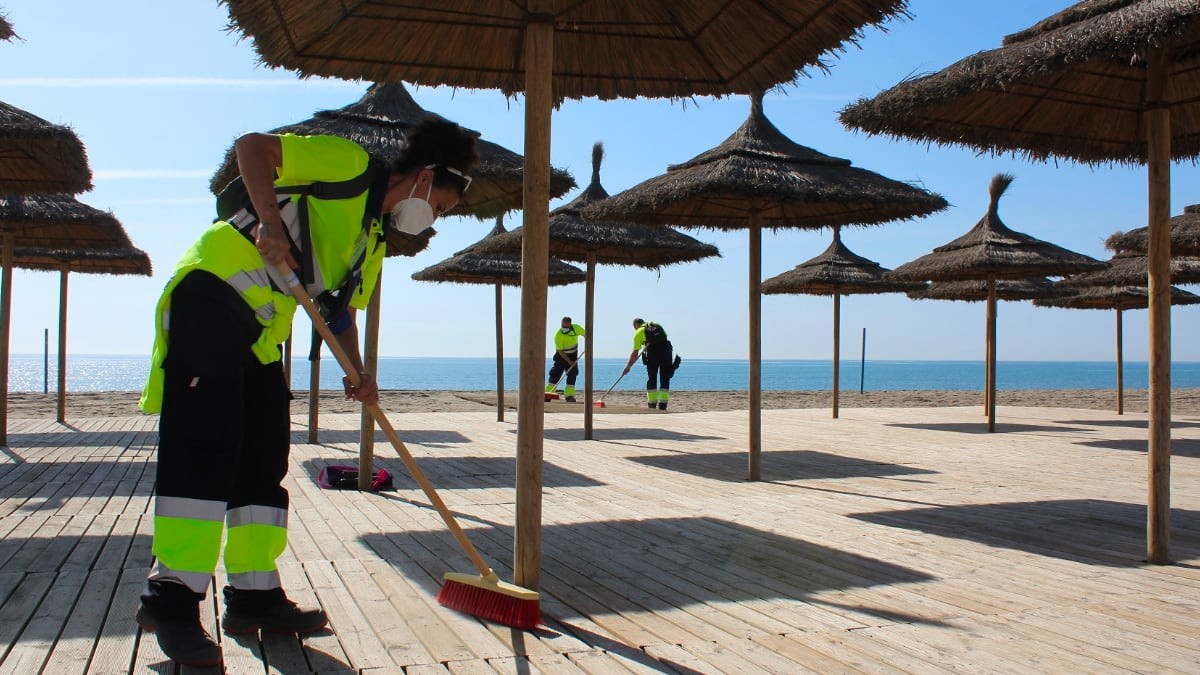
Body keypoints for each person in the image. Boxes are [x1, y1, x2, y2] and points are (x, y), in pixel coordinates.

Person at [134, 120, 477, 666]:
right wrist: (270, 224)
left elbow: (338, 311)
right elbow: (252, 148)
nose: (436, 217)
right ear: (425, 176)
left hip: (262, 332)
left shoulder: (374, 239)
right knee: (204, 452)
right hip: (213, 293)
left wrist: (359, 372)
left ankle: (253, 596)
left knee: (263, 457)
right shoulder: (348, 164)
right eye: (441, 204)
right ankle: (171, 602)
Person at [621, 318, 681, 410]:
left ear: (636, 325)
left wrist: (628, 366)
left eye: (634, 327)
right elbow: (665, 337)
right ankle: (663, 405)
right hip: (666, 350)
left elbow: (635, 353)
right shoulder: (657, 325)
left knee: (652, 377)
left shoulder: (639, 332)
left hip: (653, 353)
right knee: (665, 377)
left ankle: (652, 404)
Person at [545, 316, 586, 402]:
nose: (565, 328)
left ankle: (569, 395)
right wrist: (569, 362)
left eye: (567, 327)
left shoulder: (576, 328)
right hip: (561, 355)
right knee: (555, 374)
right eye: (563, 326)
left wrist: (588, 344)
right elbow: (560, 351)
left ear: (570, 325)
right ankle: (547, 394)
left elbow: (586, 334)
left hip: (573, 354)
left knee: (573, 373)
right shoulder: (558, 335)